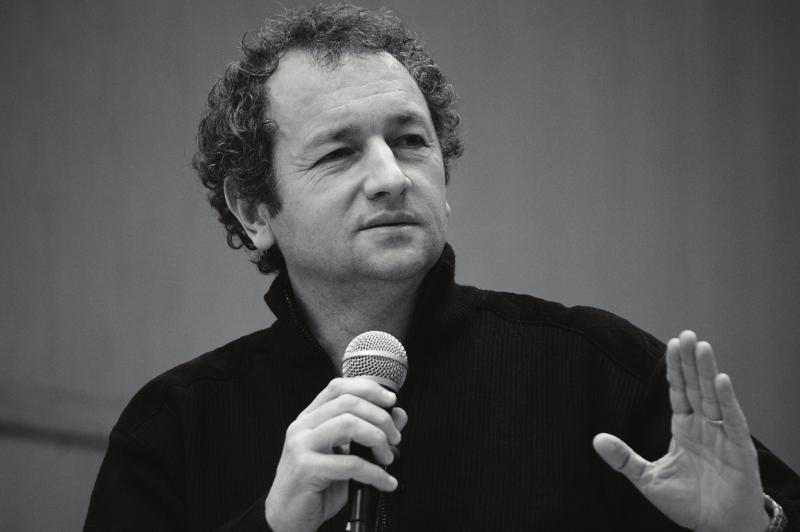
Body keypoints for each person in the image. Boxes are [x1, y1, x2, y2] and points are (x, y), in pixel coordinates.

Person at [83, 4, 799, 532]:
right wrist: (271, 525)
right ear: (253, 209)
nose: (392, 177)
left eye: (410, 141)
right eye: (339, 153)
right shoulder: (172, 430)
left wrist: (753, 529)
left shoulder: (598, 371)